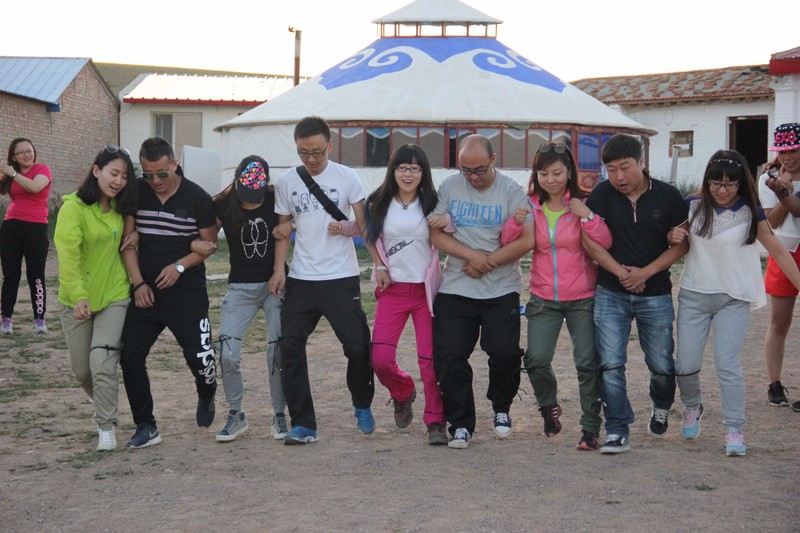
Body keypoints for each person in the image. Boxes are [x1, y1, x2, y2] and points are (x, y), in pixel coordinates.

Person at [669, 150, 800, 456]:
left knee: (727, 364)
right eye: (716, 183)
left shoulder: (750, 210)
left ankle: (734, 427)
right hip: (694, 294)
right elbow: (673, 238)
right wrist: (672, 234)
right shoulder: (692, 205)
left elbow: (778, 251)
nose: (723, 190)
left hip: (733, 297)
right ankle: (692, 406)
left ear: (741, 183)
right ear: (707, 181)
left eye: (730, 184)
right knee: (685, 364)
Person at [269, 116, 374, 445]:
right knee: (290, 346)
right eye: (304, 152)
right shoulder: (287, 181)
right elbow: (282, 229)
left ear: (330, 146)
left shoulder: (347, 177)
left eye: (317, 152)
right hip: (302, 278)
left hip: (341, 277)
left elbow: (364, 224)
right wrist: (279, 270)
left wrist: (379, 262)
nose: (311, 159)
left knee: (357, 346)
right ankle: (304, 424)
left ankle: (362, 403)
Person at [583, 134, 688, 454]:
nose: (619, 177)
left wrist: (645, 273)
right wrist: (621, 273)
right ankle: (617, 429)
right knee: (610, 364)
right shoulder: (601, 194)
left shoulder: (668, 195)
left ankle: (662, 404)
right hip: (610, 291)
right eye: (611, 170)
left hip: (655, 293)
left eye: (625, 167)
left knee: (661, 364)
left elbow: (681, 244)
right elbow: (589, 241)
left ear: (642, 163)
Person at [337, 144, 449, 445]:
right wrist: (341, 228)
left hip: (425, 293)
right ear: (393, 171)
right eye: (402, 168)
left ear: (423, 172)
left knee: (430, 362)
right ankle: (403, 391)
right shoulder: (379, 202)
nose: (408, 174)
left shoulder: (434, 203)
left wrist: (447, 221)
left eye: (414, 168)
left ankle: (436, 421)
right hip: (392, 291)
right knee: (381, 359)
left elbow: (450, 226)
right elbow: (363, 228)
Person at [429, 134, 534, 449]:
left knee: (504, 352)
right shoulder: (450, 187)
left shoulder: (511, 191)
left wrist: (488, 263)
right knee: (449, 357)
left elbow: (528, 239)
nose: (473, 177)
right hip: (456, 286)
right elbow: (435, 234)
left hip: (501, 288)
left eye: (479, 170)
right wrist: (472, 256)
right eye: (466, 170)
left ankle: (501, 406)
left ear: (493, 160)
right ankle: (461, 424)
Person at [509, 143, 610, 450]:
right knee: (536, 360)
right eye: (543, 173)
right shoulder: (530, 205)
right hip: (543, 298)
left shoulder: (582, 204)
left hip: (582, 297)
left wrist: (588, 216)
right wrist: (515, 222)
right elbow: (508, 242)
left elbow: (605, 241)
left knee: (587, 364)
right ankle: (548, 406)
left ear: (569, 172)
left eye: (556, 173)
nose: (550, 179)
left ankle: (590, 428)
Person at [119, 136, 218, 448]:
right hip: (147, 292)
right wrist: (138, 283)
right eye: (148, 174)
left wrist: (179, 266)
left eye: (162, 173)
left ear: (175, 165)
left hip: (187, 292)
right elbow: (128, 242)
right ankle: (145, 425)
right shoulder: (136, 191)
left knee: (201, 359)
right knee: (130, 355)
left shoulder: (198, 197)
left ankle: (206, 393)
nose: (156, 181)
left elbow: (209, 245)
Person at [191, 155, 290, 442]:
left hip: (274, 285)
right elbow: (207, 239)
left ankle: (280, 414)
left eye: (255, 196)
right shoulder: (223, 203)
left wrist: (279, 268)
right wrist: (195, 243)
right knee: (228, 352)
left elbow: (285, 230)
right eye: (245, 194)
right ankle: (236, 413)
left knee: (277, 351)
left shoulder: (276, 198)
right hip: (240, 288)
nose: (250, 201)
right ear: (236, 181)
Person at [53, 145, 137, 451]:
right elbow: (68, 258)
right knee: (83, 370)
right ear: (96, 170)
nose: (118, 181)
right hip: (76, 300)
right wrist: (78, 296)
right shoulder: (72, 208)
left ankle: (106, 427)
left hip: (114, 294)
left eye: (124, 176)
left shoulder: (122, 208)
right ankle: (102, 403)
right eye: (114, 173)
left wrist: (136, 233)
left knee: (102, 361)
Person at [758, 123, 800, 407]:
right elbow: (771, 222)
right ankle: (774, 384)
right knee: (779, 322)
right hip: (783, 251)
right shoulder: (767, 178)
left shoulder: (777, 182)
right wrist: (781, 190)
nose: (787, 157)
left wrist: (783, 192)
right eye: (782, 151)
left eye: (793, 150)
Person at [0, 138, 52, 334]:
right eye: (21, 152)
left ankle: (39, 318)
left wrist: (12, 173)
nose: (26, 154)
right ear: (14, 157)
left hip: (36, 228)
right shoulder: (10, 173)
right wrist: (6, 173)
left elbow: (35, 187)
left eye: (29, 150)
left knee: (36, 276)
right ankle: (6, 319)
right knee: (10, 276)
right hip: (11, 228)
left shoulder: (42, 169)